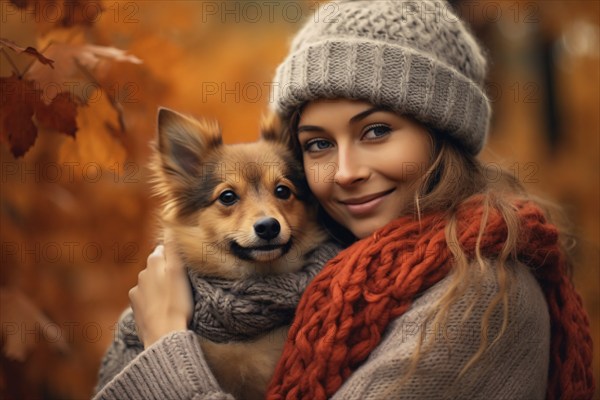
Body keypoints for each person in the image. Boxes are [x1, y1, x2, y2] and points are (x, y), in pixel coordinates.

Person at [94, 1, 595, 399]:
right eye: (318, 144)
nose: (347, 172)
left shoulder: (482, 295)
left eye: (376, 131)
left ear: (441, 136)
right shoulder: (340, 272)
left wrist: (165, 349)